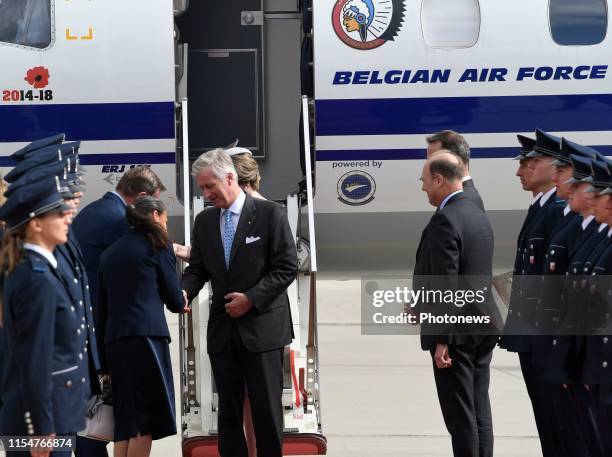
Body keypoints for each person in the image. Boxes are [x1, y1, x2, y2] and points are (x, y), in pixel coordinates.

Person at [181, 148, 298, 457]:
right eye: (202, 188)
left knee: (267, 413)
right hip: (224, 334)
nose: (206, 194)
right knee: (229, 415)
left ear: (230, 177)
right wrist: (184, 292)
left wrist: (251, 299)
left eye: (210, 187)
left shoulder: (270, 215)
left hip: (262, 332)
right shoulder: (205, 221)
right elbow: (198, 269)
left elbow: (286, 267)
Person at [414, 151, 497, 457]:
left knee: (460, 417)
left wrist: (441, 339)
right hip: (481, 325)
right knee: (478, 411)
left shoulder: (445, 220)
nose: (423, 188)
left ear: (439, 179)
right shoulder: (477, 212)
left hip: (457, 334)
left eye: (424, 181)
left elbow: (445, 284)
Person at [0, 177, 87, 457]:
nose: (67, 217)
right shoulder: (37, 279)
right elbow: (35, 360)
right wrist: (41, 426)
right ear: (35, 223)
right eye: (58, 212)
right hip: (40, 421)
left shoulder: (35, 271)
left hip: (46, 414)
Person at [96, 197, 189, 457]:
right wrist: (181, 298)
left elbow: (101, 310)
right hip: (146, 339)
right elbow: (173, 298)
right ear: (156, 215)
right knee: (144, 422)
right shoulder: (159, 245)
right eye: (166, 220)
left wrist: (103, 362)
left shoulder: (109, 253)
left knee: (126, 423)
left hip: (114, 343)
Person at [426, 130, 485, 211]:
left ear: (452, 159)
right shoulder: (465, 195)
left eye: (434, 159)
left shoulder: (459, 201)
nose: (428, 165)